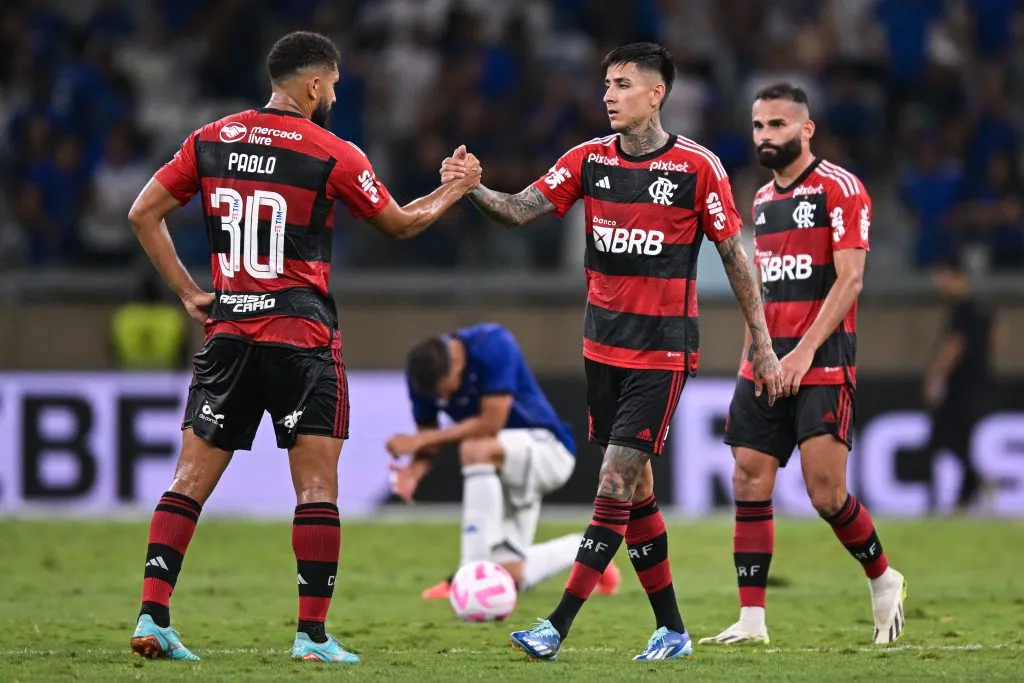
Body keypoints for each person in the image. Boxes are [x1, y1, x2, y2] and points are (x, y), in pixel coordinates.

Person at [125, 31, 480, 664]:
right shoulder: (330, 151)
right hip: (301, 336)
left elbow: (142, 213)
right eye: (334, 85)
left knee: (186, 481)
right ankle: (312, 638)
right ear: (314, 85)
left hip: (229, 331)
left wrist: (187, 291)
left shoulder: (210, 138)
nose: (335, 95)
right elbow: (398, 223)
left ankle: (153, 618)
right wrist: (454, 189)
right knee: (315, 489)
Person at [443, 42, 783, 662]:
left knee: (614, 478)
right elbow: (521, 210)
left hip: (662, 352)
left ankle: (555, 625)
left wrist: (762, 342)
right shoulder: (587, 161)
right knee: (639, 488)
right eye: (606, 84)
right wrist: (474, 187)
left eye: (623, 84)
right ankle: (672, 629)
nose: (608, 94)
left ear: (656, 94)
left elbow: (737, 258)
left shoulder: (697, 169)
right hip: (602, 350)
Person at [699, 83, 906, 647]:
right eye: (759, 126)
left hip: (821, 359)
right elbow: (760, 285)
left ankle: (883, 578)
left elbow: (851, 280)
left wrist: (804, 350)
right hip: (769, 360)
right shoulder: (763, 200)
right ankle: (751, 621)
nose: (766, 136)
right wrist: (754, 354)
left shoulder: (841, 190)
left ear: (806, 129)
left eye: (778, 126)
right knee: (748, 477)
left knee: (825, 495)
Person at [385, 323, 621, 600]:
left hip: (548, 450)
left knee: (475, 447)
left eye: (446, 392)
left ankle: (465, 576)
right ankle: (588, 550)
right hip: (500, 467)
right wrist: (415, 469)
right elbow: (428, 436)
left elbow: (490, 422)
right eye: (438, 397)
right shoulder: (422, 380)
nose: (444, 400)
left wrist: (420, 442)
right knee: (509, 577)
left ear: (457, 360)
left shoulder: (493, 344)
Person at [923, 252, 997, 513]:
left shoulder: (962, 308)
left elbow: (954, 345)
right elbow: (994, 341)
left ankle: (970, 488)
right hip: (978, 383)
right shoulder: (982, 307)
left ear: (956, 275)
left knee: (945, 438)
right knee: (962, 440)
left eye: (942, 276)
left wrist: (936, 377)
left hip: (958, 386)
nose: (938, 282)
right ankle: (970, 491)